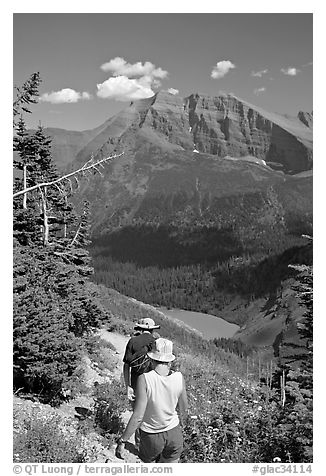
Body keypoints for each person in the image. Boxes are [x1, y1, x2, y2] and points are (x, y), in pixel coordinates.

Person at [116, 338, 188, 463]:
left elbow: (138, 416)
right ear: (170, 360)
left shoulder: (145, 379)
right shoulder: (179, 377)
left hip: (152, 435)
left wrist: (123, 440)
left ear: (151, 358)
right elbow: (183, 409)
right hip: (174, 432)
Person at [123, 317, 160, 401]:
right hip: (152, 383)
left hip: (136, 381)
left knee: (137, 409)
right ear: (152, 330)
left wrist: (128, 386)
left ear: (140, 328)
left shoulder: (132, 341)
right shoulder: (156, 343)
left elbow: (126, 365)